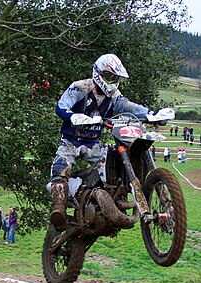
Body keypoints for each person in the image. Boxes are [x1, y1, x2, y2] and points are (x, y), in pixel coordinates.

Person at [48, 53, 167, 230]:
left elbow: (130, 107)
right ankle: (59, 211)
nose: (111, 81)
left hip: (93, 145)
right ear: (98, 73)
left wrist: (152, 114)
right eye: (109, 76)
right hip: (70, 141)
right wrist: (74, 117)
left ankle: (108, 202)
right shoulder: (80, 87)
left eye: (114, 78)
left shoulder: (113, 96)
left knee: (109, 168)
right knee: (60, 170)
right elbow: (61, 106)